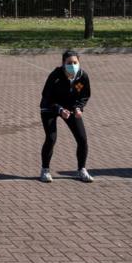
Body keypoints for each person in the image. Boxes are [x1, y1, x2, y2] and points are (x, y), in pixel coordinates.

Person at [39, 49, 92, 183]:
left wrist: (79, 108)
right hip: (50, 107)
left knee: (82, 139)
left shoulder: (82, 76)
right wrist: (59, 109)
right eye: (69, 63)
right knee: (51, 138)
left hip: (70, 108)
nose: (72, 65)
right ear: (63, 63)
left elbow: (84, 95)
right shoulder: (55, 76)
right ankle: (45, 170)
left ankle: (81, 170)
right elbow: (46, 96)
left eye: (75, 62)